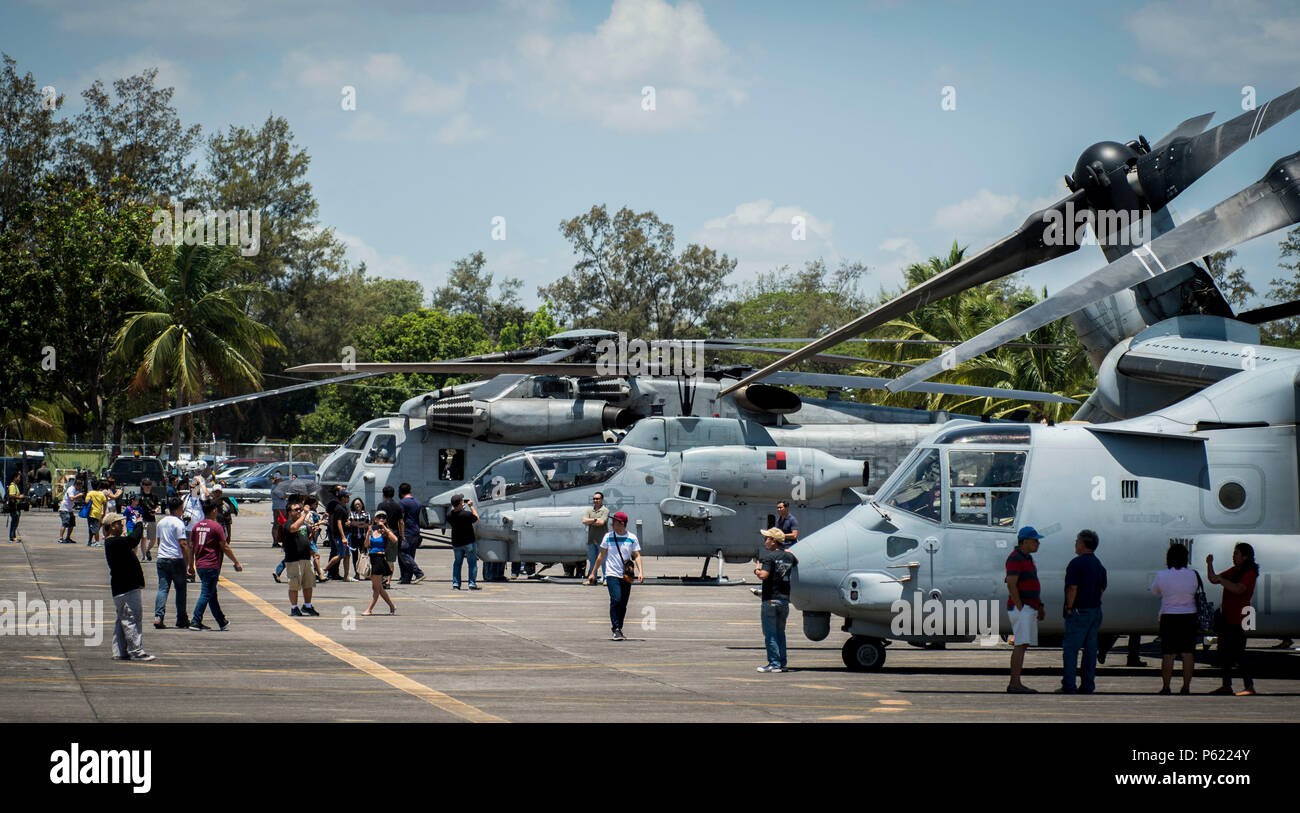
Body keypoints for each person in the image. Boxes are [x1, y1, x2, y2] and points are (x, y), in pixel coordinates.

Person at [1207, 543, 1259, 696]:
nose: (1233, 556)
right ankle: (1226, 685)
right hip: (1227, 618)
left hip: (1240, 617)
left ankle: (1249, 686)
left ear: (1245, 556)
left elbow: (1239, 589)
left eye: (1236, 554)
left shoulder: (1249, 573)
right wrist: (1209, 564)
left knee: (1238, 653)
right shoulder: (1234, 570)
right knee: (1223, 652)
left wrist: (1221, 580)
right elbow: (1213, 579)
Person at [101, 511, 154, 661]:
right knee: (132, 618)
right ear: (111, 527)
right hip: (126, 587)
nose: (121, 525)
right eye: (118, 523)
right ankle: (137, 651)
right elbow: (133, 539)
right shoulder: (114, 542)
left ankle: (119, 651)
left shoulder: (115, 542)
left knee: (122, 619)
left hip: (123, 587)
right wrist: (138, 524)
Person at [1060, 529, 1107, 694]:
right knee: (1090, 650)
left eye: (1076, 541)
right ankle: (1087, 684)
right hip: (1095, 611)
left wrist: (1069, 607)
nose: (1075, 544)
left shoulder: (1076, 563)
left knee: (1071, 650)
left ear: (1082, 544)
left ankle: (1069, 684)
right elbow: (1102, 588)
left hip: (1079, 611)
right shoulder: (1099, 565)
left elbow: (1073, 588)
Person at [1150, 544, 1198, 694]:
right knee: (1188, 653)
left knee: (1168, 654)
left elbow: (1155, 591)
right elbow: (1195, 589)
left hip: (1169, 616)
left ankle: (1166, 686)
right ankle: (1186, 687)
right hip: (1189, 616)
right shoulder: (1193, 574)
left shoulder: (1162, 575)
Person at [585, 511, 641, 640]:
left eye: (615, 521)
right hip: (611, 574)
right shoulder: (608, 537)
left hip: (626, 575)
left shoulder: (632, 537)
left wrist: (641, 572)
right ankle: (615, 628)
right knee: (616, 599)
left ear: (622, 523)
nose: (612, 523)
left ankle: (619, 628)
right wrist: (593, 572)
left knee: (623, 603)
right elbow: (601, 555)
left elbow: (637, 555)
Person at [190, 499, 243, 631]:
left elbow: (191, 547)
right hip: (211, 564)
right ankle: (196, 620)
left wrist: (190, 565)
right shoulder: (216, 527)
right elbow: (224, 546)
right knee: (206, 593)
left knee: (211, 593)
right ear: (213, 510)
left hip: (200, 564)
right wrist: (236, 561)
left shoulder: (196, 526)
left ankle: (221, 621)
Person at [1005, 526, 1045, 693]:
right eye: (1035, 540)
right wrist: (1020, 606)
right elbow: (1012, 584)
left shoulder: (1027, 558)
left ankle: (1016, 681)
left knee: (1023, 644)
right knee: (1020, 644)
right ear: (1025, 541)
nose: (1038, 543)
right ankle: (1015, 683)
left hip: (1029, 606)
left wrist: (1039, 605)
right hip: (1022, 608)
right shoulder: (1015, 558)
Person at [755, 527, 797, 673]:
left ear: (774, 541)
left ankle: (774, 663)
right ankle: (782, 663)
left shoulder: (769, 557)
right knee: (780, 633)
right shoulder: (789, 557)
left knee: (770, 633)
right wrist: (789, 553)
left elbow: (764, 576)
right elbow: (796, 561)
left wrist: (757, 569)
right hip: (784, 600)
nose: (765, 541)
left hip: (770, 599)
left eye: (767, 538)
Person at [153, 496, 192, 629]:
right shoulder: (179, 523)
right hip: (176, 559)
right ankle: (181, 618)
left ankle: (158, 616)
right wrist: (188, 563)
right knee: (180, 590)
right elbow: (183, 543)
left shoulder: (161, 522)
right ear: (179, 509)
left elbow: (159, 542)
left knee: (163, 589)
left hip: (162, 558)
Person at [281, 495, 319, 617]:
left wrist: (313, 531)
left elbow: (309, 538)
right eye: (295, 509)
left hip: (305, 558)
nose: (298, 511)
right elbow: (293, 528)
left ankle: (307, 605)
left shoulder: (304, 525)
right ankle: (294, 607)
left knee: (308, 583)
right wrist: (304, 514)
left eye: (299, 509)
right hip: (293, 559)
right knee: (294, 584)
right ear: (289, 512)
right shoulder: (288, 524)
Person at [362, 511, 398, 615]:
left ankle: (369, 609)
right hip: (372, 558)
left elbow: (395, 540)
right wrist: (368, 534)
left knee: (376, 588)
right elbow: (366, 545)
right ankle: (391, 606)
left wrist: (385, 529)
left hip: (380, 559)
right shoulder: (371, 530)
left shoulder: (385, 532)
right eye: (379, 517)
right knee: (378, 587)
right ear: (375, 519)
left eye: (384, 517)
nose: (381, 519)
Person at [447, 494, 479, 590]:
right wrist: (471, 506)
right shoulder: (466, 514)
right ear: (460, 503)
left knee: (457, 563)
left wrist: (461, 507)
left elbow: (456, 513)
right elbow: (476, 518)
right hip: (468, 542)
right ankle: (472, 583)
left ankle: (456, 583)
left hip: (457, 543)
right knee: (472, 563)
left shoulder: (449, 515)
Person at [377, 486, 404, 589]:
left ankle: (383, 579)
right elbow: (401, 522)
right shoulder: (398, 506)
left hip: (383, 534)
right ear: (393, 495)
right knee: (391, 559)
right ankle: (388, 581)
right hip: (394, 534)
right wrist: (402, 535)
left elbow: (378, 519)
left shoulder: (381, 505)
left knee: (381, 557)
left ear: (383, 494)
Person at [398, 483, 425, 584]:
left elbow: (401, 519)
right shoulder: (417, 502)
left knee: (403, 553)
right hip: (415, 531)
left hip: (407, 531)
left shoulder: (403, 503)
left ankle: (418, 572)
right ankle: (406, 578)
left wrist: (402, 534)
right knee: (410, 555)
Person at [322, 488, 351, 581]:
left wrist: (348, 522)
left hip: (346, 533)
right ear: (342, 498)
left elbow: (343, 520)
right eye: (347, 497)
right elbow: (338, 522)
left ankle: (346, 576)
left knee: (347, 555)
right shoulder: (338, 508)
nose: (348, 498)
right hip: (341, 535)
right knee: (340, 555)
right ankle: (324, 569)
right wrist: (343, 537)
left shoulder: (344, 507)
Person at [581, 492, 610, 584]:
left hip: (602, 541)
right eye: (594, 499)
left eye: (597, 499)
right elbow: (584, 521)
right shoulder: (589, 510)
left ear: (602, 500)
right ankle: (592, 579)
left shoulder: (605, 510)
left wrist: (590, 521)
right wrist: (595, 520)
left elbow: (601, 522)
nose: (595, 501)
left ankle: (606, 579)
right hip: (591, 540)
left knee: (604, 561)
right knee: (592, 561)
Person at [346, 497, 371, 581]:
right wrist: (360, 523)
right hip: (354, 537)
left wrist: (355, 524)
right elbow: (350, 523)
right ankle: (357, 573)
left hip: (363, 537)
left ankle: (366, 573)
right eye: (356, 504)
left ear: (362, 505)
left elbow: (367, 524)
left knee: (365, 555)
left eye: (359, 504)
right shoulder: (351, 513)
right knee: (355, 556)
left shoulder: (366, 514)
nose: (357, 506)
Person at [138, 478, 160, 560]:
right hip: (143, 519)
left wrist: (155, 511)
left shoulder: (154, 496)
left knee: (153, 539)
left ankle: (147, 550)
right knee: (143, 538)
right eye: (146, 485)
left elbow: (157, 506)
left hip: (152, 519)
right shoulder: (140, 497)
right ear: (142, 485)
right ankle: (143, 556)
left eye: (149, 485)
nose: (148, 487)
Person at [57, 476, 80, 544]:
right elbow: (71, 498)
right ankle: (61, 538)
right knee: (65, 523)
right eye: (79, 486)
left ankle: (68, 537)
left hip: (69, 509)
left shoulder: (75, 490)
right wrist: (78, 496)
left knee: (72, 523)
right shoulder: (71, 489)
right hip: (64, 509)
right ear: (76, 485)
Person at [85, 479, 107, 546]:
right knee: (93, 527)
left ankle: (97, 541)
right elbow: (105, 503)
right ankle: (89, 541)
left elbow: (86, 501)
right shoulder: (101, 494)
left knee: (94, 528)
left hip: (91, 513)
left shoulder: (90, 493)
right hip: (98, 513)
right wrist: (104, 512)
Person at [6, 471, 23, 542]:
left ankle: (14, 537)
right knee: (14, 522)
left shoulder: (15, 486)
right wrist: (19, 497)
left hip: (16, 507)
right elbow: (11, 495)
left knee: (15, 522)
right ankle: (12, 538)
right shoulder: (12, 486)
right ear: (15, 478)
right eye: (18, 477)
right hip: (13, 507)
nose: (19, 479)